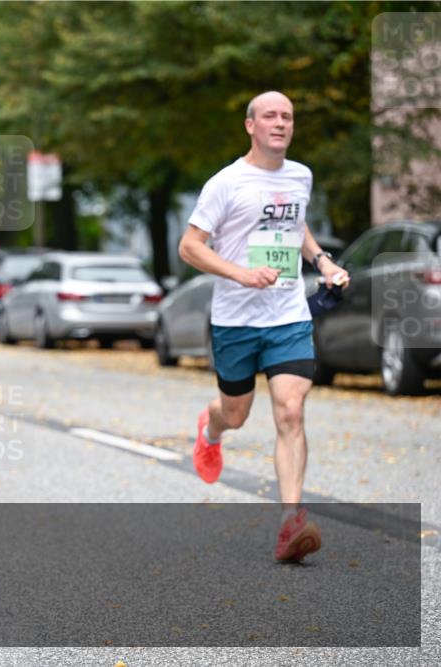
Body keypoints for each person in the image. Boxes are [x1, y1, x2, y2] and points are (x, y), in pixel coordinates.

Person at [178, 91, 350, 563]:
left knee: (291, 410)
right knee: (236, 414)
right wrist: (240, 273)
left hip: (287, 315)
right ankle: (209, 430)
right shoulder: (227, 183)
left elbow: (297, 226)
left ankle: (291, 520)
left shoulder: (301, 177)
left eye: (288, 117)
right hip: (235, 319)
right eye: (270, 116)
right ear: (250, 126)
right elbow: (190, 247)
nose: (280, 123)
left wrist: (322, 261)